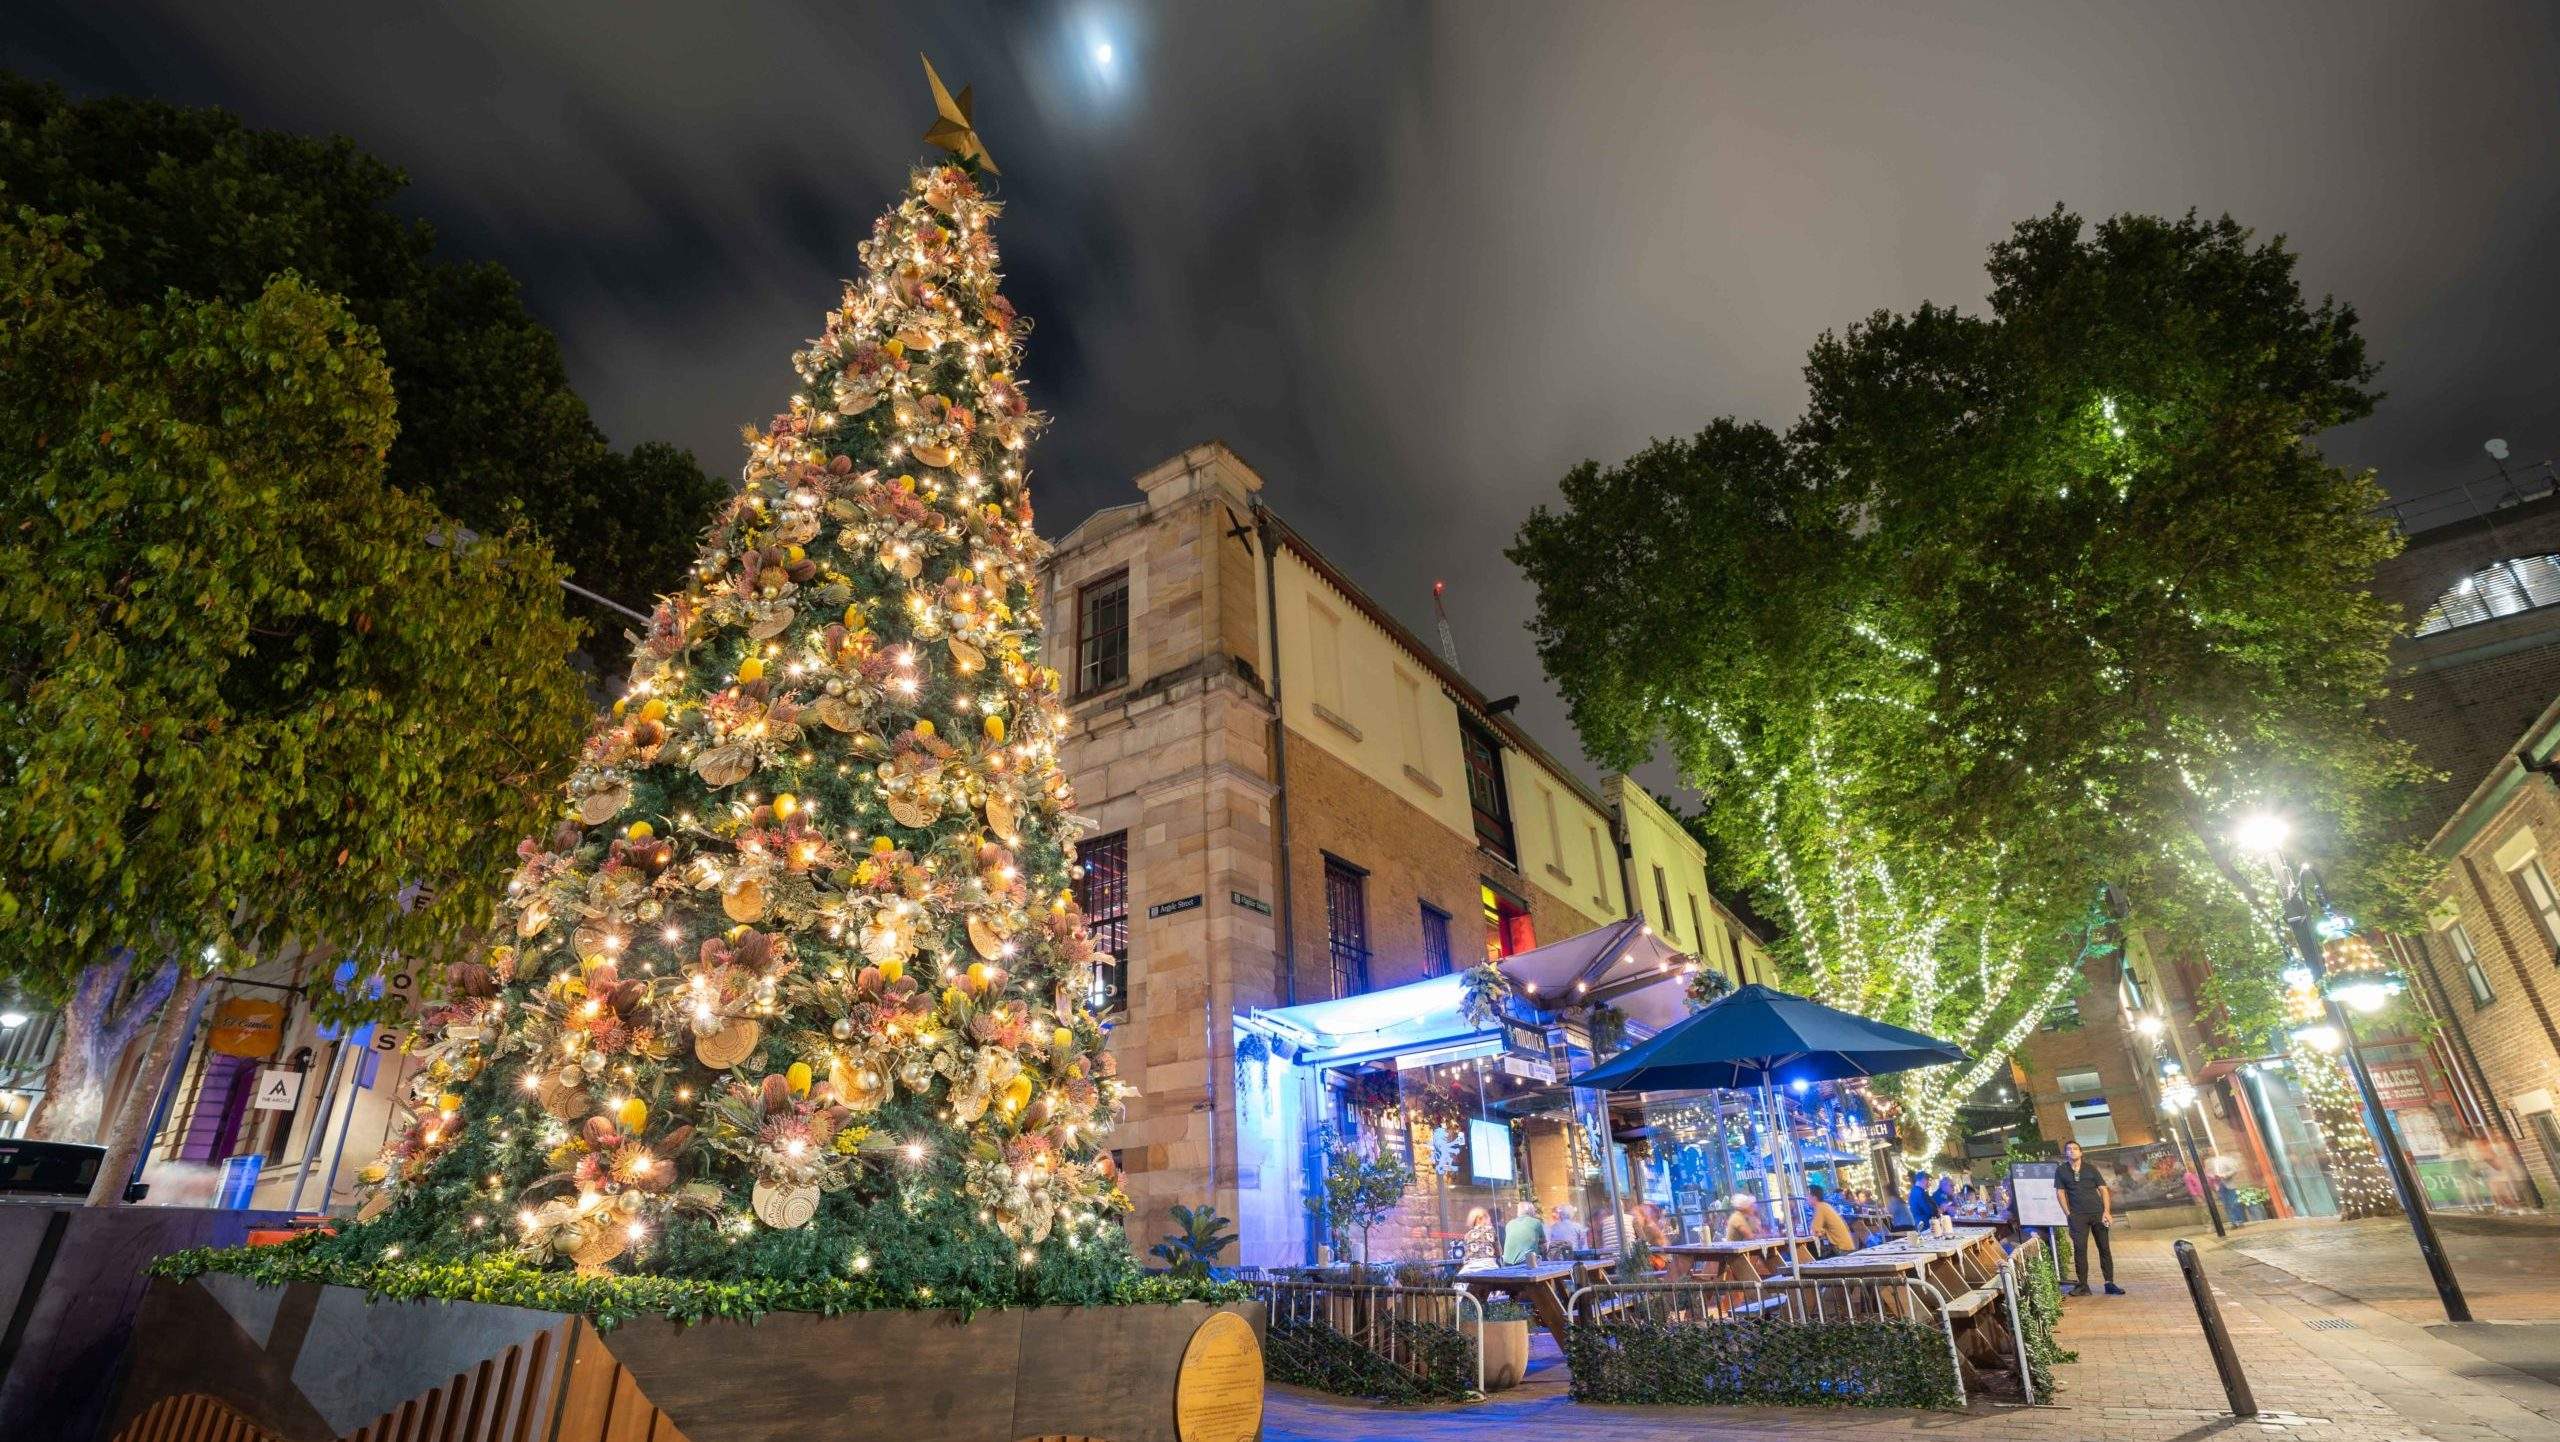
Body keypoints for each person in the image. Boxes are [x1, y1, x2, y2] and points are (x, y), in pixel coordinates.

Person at [2057, 1140, 2122, 1296]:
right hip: (2077, 1216)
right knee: (2080, 1249)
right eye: (2069, 1149)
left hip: (2097, 1213)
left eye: (2075, 1148)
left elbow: (2104, 1190)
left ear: (2081, 1152)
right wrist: (2068, 1214)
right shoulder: (2061, 1170)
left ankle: (2109, 1283)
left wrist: (2106, 1211)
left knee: (2104, 1248)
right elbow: (2060, 1193)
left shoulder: (2091, 1169)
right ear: (2066, 1153)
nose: (2072, 1151)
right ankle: (2083, 1286)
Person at [1806, 1182, 1857, 1256]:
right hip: (1846, 1245)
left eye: (1808, 1196)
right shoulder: (1825, 1206)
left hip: (1841, 1248)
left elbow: (1814, 1230)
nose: (1806, 1198)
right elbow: (1821, 1230)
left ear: (1814, 1197)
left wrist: (1818, 1231)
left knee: (1816, 1256)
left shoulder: (1820, 1208)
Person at [1500, 1199, 1546, 1266]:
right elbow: (1544, 1244)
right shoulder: (1536, 1222)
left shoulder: (1509, 1224)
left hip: (1507, 1263)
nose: (1535, 1211)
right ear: (1531, 1210)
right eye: (1534, 1209)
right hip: (1526, 1262)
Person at [1459, 1206, 1498, 1273]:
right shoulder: (1490, 1230)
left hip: (1470, 1269)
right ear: (1480, 1219)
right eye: (1489, 1219)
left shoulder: (1467, 1235)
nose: (1491, 1222)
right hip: (1489, 1267)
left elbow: (1467, 1254)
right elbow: (1499, 1252)